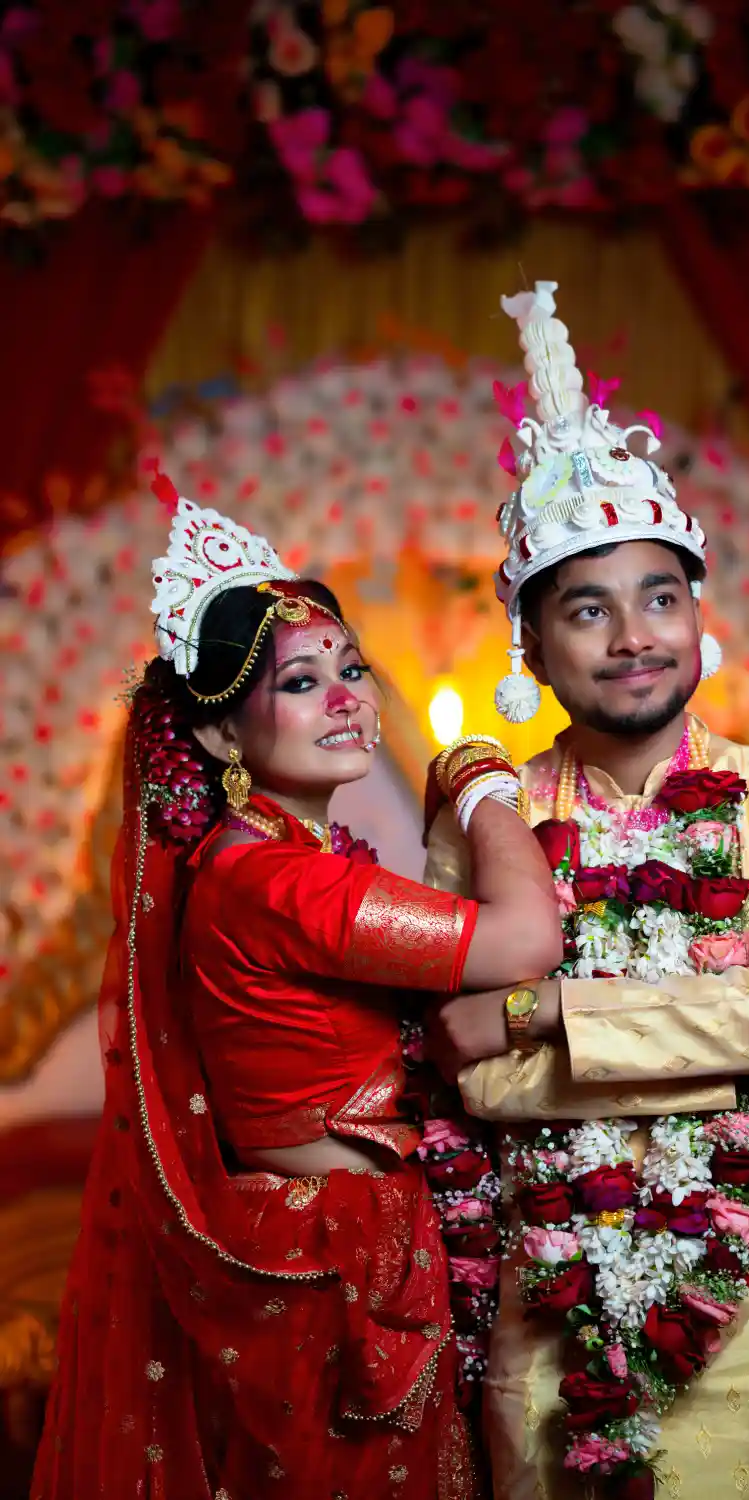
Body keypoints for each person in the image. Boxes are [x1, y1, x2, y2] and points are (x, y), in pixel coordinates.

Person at [424, 283, 749, 1500]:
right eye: (588, 608)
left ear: (698, 617)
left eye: (659, 598)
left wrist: (548, 1008)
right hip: (553, 1307)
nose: (632, 637)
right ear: (534, 646)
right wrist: (743, 1049)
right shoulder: (492, 826)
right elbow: (477, 1074)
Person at [31, 481, 563, 1500]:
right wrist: (481, 778)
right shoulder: (279, 881)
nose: (348, 697)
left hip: (331, 1236)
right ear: (225, 736)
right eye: (302, 683)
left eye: (352, 669)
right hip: (334, 1258)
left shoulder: (257, 863)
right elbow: (524, 937)